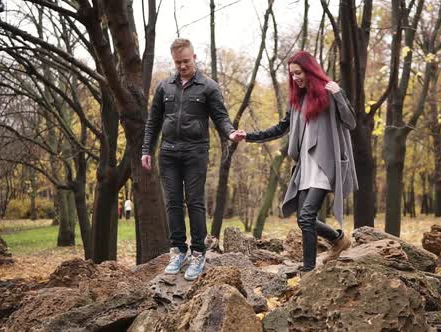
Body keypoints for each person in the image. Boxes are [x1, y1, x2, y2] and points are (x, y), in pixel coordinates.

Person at [243, 51, 358, 272]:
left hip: (324, 166)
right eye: (292, 74)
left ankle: (308, 270)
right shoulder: (297, 101)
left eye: (298, 72)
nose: (295, 78)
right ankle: (339, 240)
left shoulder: (329, 94)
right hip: (305, 167)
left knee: (306, 217)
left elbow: (351, 122)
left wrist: (340, 94)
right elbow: (280, 129)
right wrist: (248, 136)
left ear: (310, 70)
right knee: (304, 219)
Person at [141, 38, 245, 280]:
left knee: (195, 202)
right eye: (178, 62)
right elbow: (153, 122)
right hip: (168, 152)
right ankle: (178, 251)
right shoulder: (164, 87)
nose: (182, 66)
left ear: (194, 57)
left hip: (195, 152)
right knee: (173, 202)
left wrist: (231, 133)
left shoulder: (208, 87)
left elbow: (221, 118)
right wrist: (147, 149)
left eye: (186, 61)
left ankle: (198, 253)